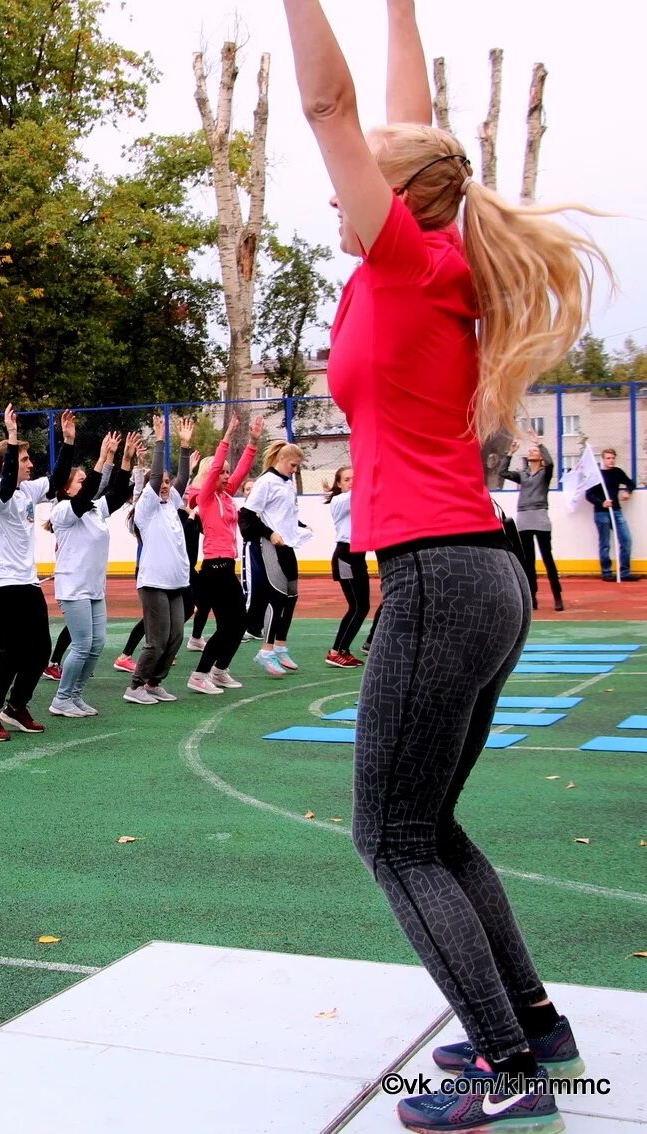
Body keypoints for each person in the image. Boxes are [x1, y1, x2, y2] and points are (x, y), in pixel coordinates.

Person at [286, 0, 610, 1126]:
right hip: (482, 574)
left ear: (395, 196)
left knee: (390, 839)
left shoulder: (403, 259)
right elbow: (405, 124)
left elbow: (332, 108)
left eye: (352, 180)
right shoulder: (436, 253)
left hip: (433, 575)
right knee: (433, 827)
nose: (333, 189)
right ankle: (537, 1032)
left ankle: (502, 1071)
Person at [0, 405, 67, 741]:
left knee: (40, 650)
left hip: (26, 580)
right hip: (1, 582)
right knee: (11, 651)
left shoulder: (28, 490)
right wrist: (12, 437)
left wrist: (68, 442)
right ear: (9, 464)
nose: (31, 464)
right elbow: (8, 476)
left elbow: (57, 481)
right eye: (25, 460)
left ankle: (17, 706)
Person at [48, 429, 131, 716]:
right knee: (82, 645)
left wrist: (126, 459)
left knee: (97, 645)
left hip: (95, 587)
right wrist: (101, 458)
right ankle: (61, 699)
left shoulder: (94, 510)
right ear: (67, 488)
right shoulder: (62, 511)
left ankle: (76, 696)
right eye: (80, 481)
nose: (86, 485)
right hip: (73, 588)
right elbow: (86, 495)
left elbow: (119, 493)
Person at [189, 415, 261, 693]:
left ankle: (219, 670)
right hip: (213, 569)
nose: (227, 475)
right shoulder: (205, 497)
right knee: (231, 624)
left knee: (237, 624)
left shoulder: (227, 497)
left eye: (227, 473)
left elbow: (242, 471)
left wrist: (253, 441)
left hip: (226, 567)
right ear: (210, 476)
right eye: (222, 472)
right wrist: (227, 435)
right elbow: (217, 464)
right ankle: (199, 675)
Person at [124, 415, 193, 705]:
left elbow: (183, 478)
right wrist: (161, 441)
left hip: (176, 583)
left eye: (168, 482)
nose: (165, 486)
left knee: (176, 637)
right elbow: (152, 479)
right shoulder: (147, 508)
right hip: (153, 582)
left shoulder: (172, 503)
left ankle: (154, 683)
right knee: (157, 640)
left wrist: (186, 447)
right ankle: (135, 685)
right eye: (161, 483)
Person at [240, 439, 309, 676]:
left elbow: (284, 514)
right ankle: (265, 651)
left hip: (288, 546)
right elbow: (247, 515)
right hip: (270, 545)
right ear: (281, 460)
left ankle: (280, 646)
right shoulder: (266, 482)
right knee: (276, 597)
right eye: (292, 464)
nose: (295, 469)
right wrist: (270, 534)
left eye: (297, 466)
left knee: (291, 596)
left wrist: (301, 527)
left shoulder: (287, 483)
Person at [498, 434, 562, 609]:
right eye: (531, 450)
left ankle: (557, 596)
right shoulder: (522, 475)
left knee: (548, 558)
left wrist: (540, 444)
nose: (532, 451)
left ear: (540, 456)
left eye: (535, 450)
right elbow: (502, 473)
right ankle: (532, 597)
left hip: (540, 517)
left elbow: (550, 463)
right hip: (524, 519)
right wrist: (509, 454)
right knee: (528, 561)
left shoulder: (544, 473)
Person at [325, 466, 367, 668]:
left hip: (358, 556)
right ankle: (335, 651)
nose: (352, 482)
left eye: (354, 478)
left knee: (362, 606)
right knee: (357, 606)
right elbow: (360, 493)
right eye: (347, 479)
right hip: (345, 556)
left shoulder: (357, 501)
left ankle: (343, 649)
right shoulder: (340, 500)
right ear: (339, 483)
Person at [585, 446, 636, 581]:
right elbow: (588, 495)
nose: (611, 461)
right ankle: (606, 572)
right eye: (608, 458)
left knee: (626, 540)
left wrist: (627, 491)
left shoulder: (618, 472)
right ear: (603, 459)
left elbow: (630, 483)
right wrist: (601, 502)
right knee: (605, 543)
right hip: (601, 513)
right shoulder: (596, 475)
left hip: (616, 511)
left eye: (613, 458)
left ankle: (624, 572)